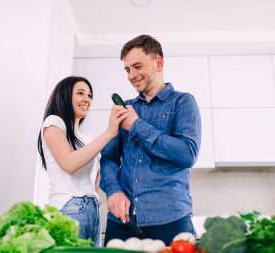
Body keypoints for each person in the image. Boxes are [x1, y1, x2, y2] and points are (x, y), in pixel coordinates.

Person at [100, 35, 202, 246]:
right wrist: (113, 191)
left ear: (159, 62)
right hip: (122, 220)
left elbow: (187, 154)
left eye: (137, 66)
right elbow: (108, 158)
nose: (132, 75)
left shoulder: (183, 102)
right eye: (127, 69)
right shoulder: (124, 108)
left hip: (171, 219)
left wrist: (136, 126)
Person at [37, 76, 128, 247]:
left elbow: (94, 179)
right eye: (80, 93)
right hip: (69, 208)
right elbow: (69, 164)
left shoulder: (85, 137)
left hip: (92, 209)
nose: (87, 99)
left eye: (89, 95)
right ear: (64, 96)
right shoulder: (53, 122)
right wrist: (109, 132)